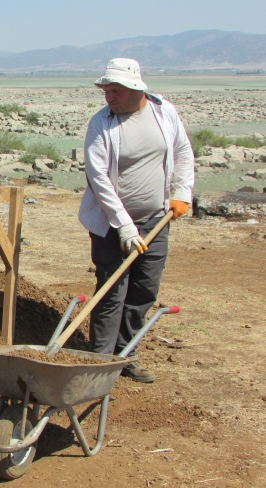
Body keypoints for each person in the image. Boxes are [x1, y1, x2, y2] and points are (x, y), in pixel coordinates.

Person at [79, 58, 194, 383]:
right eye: (106, 91)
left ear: (135, 89)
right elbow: (97, 177)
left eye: (115, 91)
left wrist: (182, 193)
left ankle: (126, 355)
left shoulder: (164, 112)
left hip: (157, 220)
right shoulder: (101, 123)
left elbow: (183, 151)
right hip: (111, 225)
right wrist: (124, 226)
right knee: (112, 291)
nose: (108, 98)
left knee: (143, 291)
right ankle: (99, 366)